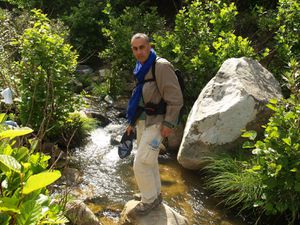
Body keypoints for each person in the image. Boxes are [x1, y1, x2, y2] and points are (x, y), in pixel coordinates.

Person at [125, 33, 183, 215]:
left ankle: (148, 201)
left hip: (158, 122)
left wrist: (169, 123)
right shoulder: (140, 67)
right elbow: (140, 97)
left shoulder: (161, 66)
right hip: (144, 120)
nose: (139, 52)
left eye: (142, 47)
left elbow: (176, 98)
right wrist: (131, 123)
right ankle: (153, 194)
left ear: (149, 46)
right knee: (149, 161)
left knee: (140, 163)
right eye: (135, 48)